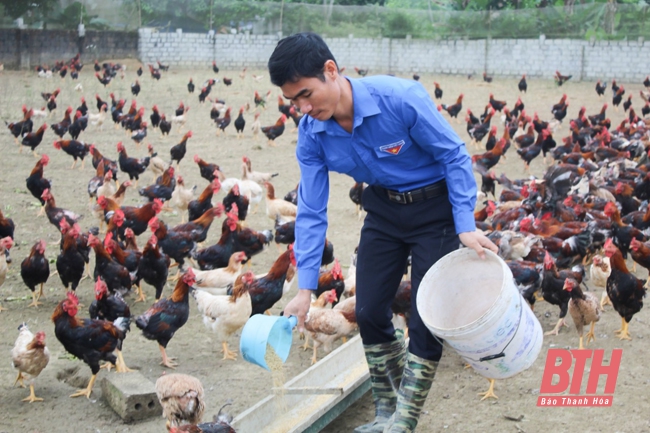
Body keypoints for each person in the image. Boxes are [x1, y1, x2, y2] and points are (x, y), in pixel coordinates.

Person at [268, 32, 498, 433]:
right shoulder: (312, 133)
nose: (302, 108)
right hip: (384, 213)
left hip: (436, 214)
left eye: (306, 94)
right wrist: (305, 290)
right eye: (293, 101)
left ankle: (403, 421)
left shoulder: (400, 99)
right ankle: (387, 409)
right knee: (369, 311)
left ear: (331, 71)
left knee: (427, 318)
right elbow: (310, 210)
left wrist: (465, 225)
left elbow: (453, 154)